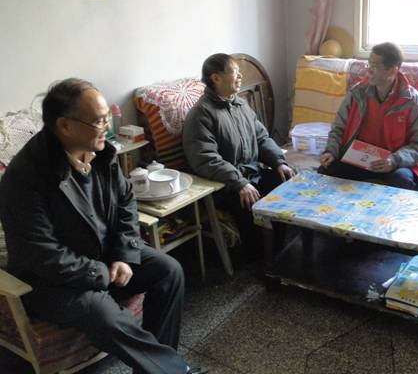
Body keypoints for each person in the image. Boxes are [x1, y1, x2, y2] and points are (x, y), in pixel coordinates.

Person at [0, 79, 207, 374]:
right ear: (65, 126)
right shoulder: (25, 178)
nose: (107, 126)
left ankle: (156, 370)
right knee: (102, 313)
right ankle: (174, 371)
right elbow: (41, 254)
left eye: (107, 116)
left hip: (104, 254)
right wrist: (101, 272)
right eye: (99, 121)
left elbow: (125, 203)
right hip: (51, 281)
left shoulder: (100, 153)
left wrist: (123, 255)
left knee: (169, 271)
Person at [183, 53, 294, 260]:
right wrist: (239, 182)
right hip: (227, 185)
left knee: (286, 179)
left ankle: (281, 250)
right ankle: (258, 257)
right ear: (216, 78)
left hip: (253, 173)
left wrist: (279, 162)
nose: (240, 76)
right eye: (235, 72)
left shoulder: (240, 104)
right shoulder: (201, 114)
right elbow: (206, 159)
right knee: (249, 200)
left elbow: (261, 137)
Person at [319, 42, 418, 191]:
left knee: (402, 180)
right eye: (369, 64)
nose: (368, 71)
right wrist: (331, 151)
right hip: (358, 159)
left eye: (375, 66)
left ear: (392, 70)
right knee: (326, 169)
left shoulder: (413, 101)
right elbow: (338, 128)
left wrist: (393, 160)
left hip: (396, 164)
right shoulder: (357, 93)